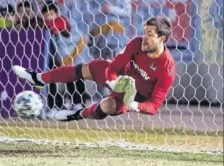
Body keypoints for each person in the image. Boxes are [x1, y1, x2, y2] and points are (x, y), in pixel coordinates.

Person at [12, 16, 176, 121]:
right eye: (144, 32)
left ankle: (78, 114)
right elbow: (114, 67)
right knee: (90, 68)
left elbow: (154, 105)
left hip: (134, 96)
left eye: (150, 34)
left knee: (107, 106)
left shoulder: (167, 69)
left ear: (162, 38)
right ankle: (39, 78)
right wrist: (113, 82)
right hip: (121, 77)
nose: (144, 38)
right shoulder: (136, 43)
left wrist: (132, 104)